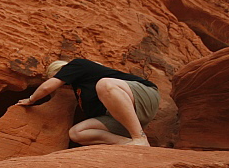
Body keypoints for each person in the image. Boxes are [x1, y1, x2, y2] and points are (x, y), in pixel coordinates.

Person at [17, 58, 160, 146]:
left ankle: (139, 137)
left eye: (55, 77)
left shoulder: (78, 64)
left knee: (105, 85)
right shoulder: (80, 92)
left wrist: (31, 100)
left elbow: (48, 86)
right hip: (126, 118)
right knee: (77, 132)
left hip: (144, 96)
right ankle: (130, 144)